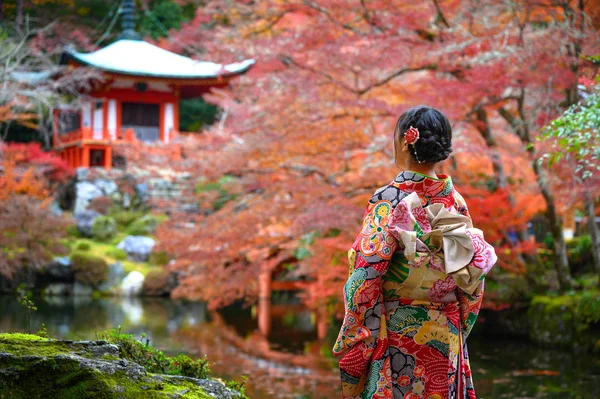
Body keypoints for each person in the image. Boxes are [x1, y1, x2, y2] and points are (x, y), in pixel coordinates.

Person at [332, 106, 497, 399]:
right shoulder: (456, 202)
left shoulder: (388, 199)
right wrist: (459, 325)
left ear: (405, 141)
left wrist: (361, 337)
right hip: (447, 333)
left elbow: (365, 276)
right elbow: (473, 280)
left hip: (398, 333)